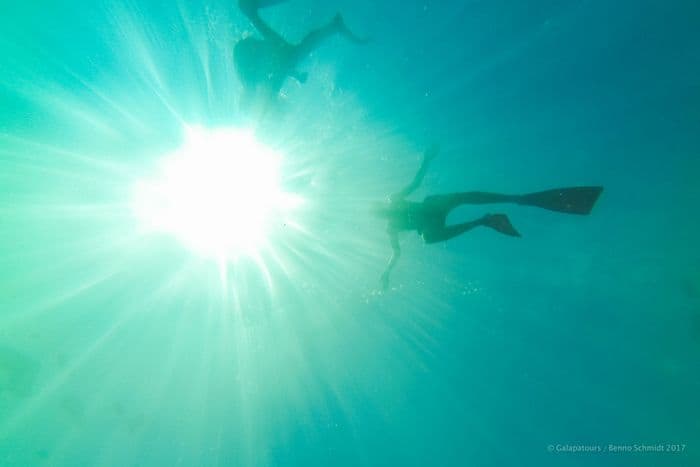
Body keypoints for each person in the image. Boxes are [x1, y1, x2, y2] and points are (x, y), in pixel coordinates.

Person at [374, 145, 604, 290]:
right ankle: (485, 220)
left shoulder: (396, 199)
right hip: (431, 223)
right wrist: (387, 273)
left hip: (433, 207)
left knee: (453, 198)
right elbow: (396, 253)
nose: (384, 211)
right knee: (428, 238)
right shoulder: (391, 227)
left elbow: (416, 182)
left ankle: (517, 199)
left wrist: (427, 159)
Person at [235, 0, 366, 109]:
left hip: (251, 51)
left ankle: (250, 13)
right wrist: (296, 75)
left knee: (291, 55)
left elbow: (278, 69)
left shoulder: (261, 88)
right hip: (252, 51)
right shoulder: (257, 86)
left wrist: (295, 74)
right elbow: (275, 69)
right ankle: (334, 26)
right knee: (292, 55)